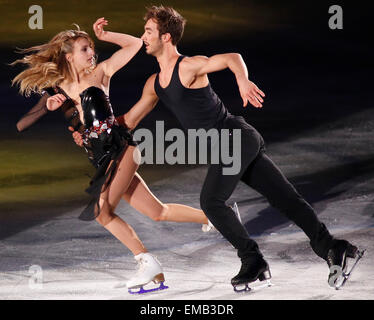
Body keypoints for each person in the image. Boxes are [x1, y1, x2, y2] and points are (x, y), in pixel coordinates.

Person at [72, 6, 363, 291]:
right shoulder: (154, 84)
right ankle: (334, 247)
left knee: (212, 202)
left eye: (149, 31)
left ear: (166, 38)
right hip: (227, 148)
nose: (143, 37)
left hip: (234, 138)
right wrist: (91, 132)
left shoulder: (188, 66)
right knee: (286, 199)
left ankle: (253, 260)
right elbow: (128, 120)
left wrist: (242, 80)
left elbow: (231, 57)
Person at [11, 17, 220, 294]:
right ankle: (216, 217)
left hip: (121, 149)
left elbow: (134, 44)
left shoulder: (101, 73)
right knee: (157, 212)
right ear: (69, 56)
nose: (91, 53)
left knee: (102, 212)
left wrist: (106, 34)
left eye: (91, 47)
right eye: (85, 49)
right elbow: (22, 124)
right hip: (101, 158)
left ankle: (147, 263)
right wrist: (48, 106)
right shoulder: (58, 90)